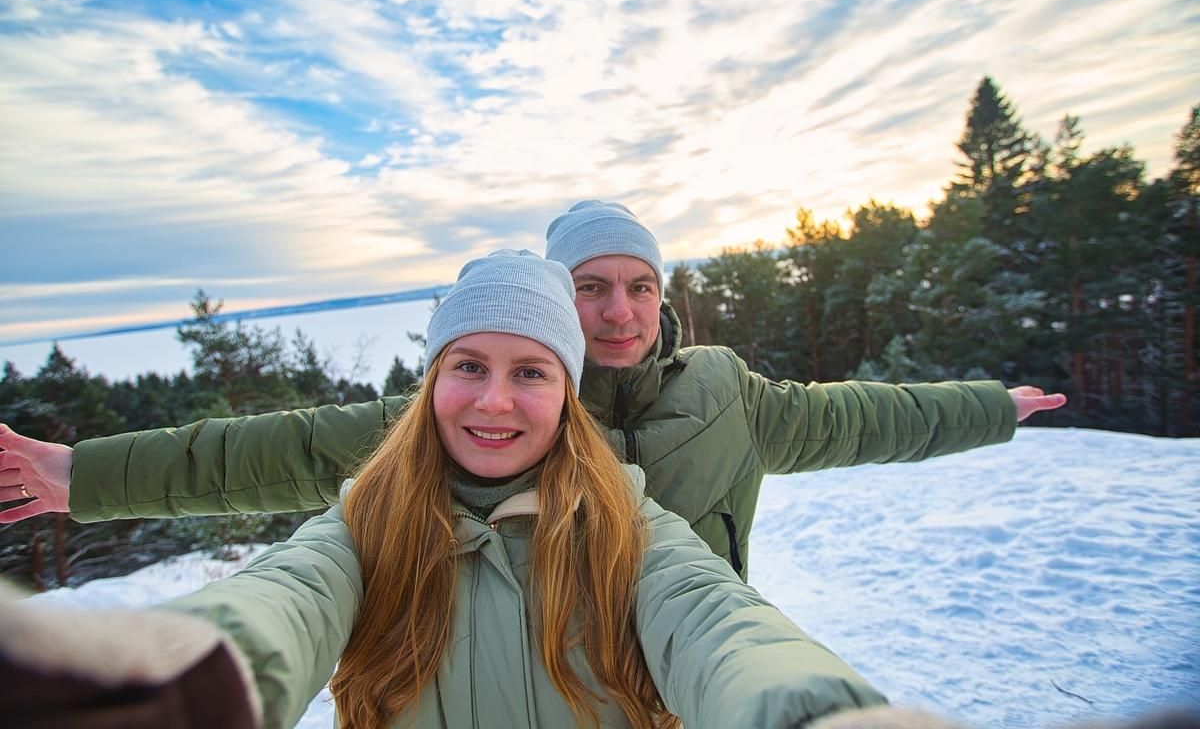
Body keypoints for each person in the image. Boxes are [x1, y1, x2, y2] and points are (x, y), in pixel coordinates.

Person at [3, 250, 894, 729]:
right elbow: (281, 596)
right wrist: (177, 682)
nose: (495, 400)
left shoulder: (628, 520)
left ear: (566, 391)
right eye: (467, 365)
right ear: (431, 378)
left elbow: (719, 625)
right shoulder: (368, 517)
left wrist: (811, 713)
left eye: (533, 374)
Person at [0, 200, 1065, 581]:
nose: (619, 310)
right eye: (592, 287)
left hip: (691, 686)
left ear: (664, 298)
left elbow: (868, 415)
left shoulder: (732, 393)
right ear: (560, 293)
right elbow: (261, 451)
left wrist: (990, 406)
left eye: (640, 287)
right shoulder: (492, 405)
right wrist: (78, 471)